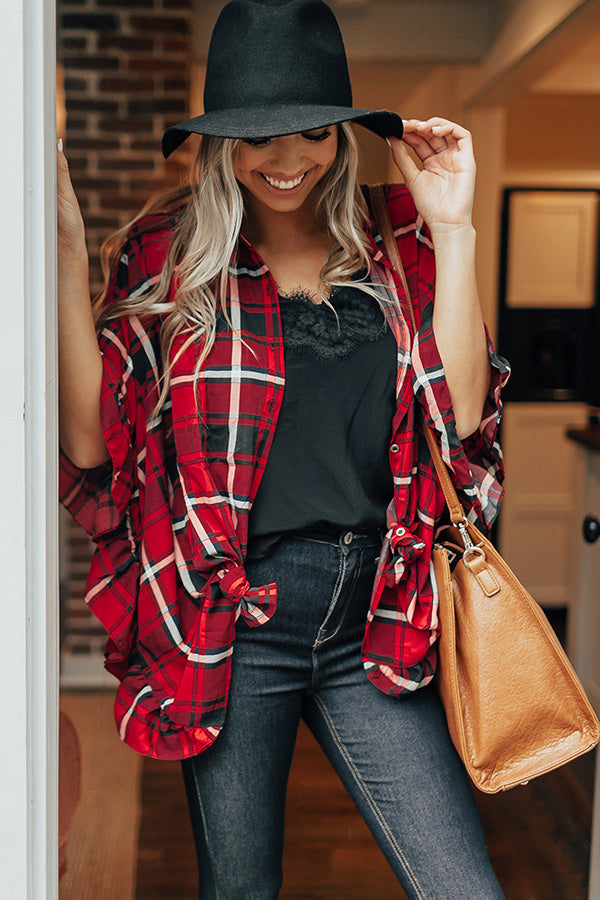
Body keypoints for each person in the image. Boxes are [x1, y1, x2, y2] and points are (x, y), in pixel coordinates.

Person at [57, 0, 510, 897]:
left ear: (342, 135)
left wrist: (454, 229)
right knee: (241, 891)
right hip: (237, 622)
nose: (289, 159)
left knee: (463, 887)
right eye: (259, 138)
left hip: (377, 611)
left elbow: (460, 423)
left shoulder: (398, 238)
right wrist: (70, 257)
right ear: (222, 143)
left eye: (311, 132)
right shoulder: (168, 255)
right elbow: (90, 446)